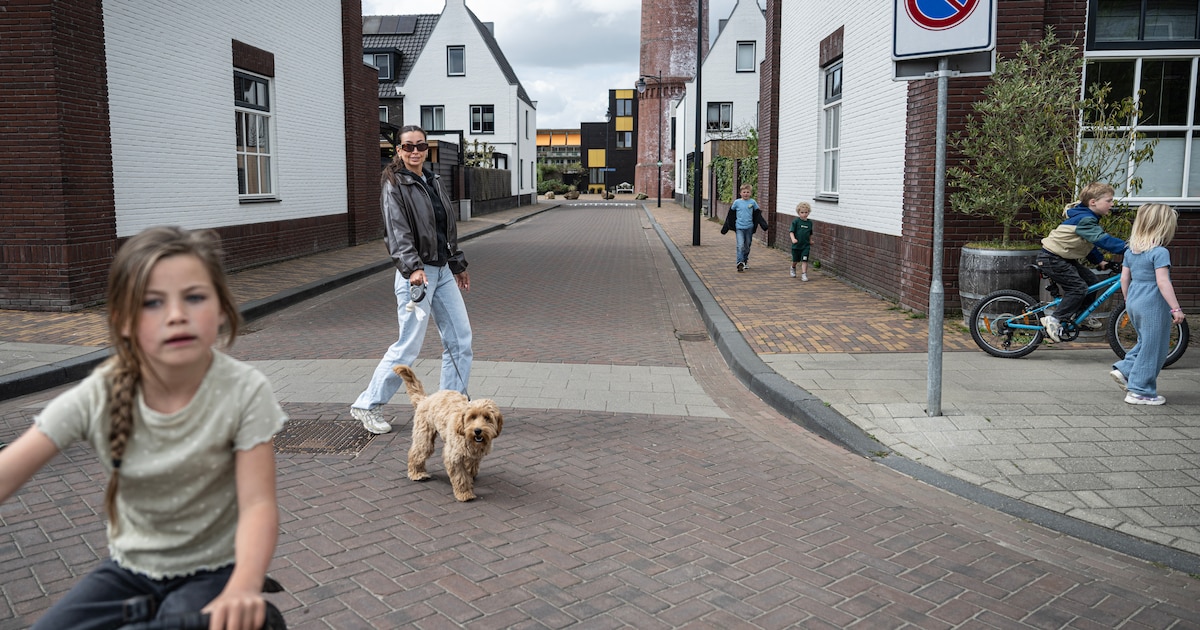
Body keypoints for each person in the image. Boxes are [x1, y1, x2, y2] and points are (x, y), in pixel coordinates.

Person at [0, 226, 286, 630]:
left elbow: (258, 504)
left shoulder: (244, 391)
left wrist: (243, 585)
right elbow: (9, 470)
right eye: (152, 302)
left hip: (214, 569)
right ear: (123, 322)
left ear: (221, 309)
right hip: (130, 569)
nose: (176, 314)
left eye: (195, 297)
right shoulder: (102, 391)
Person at [351, 125, 472, 435]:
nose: (415, 151)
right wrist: (412, 267)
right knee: (408, 346)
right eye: (408, 147)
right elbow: (397, 230)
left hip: (442, 271)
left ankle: (451, 405)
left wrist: (457, 264)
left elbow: (446, 228)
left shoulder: (432, 180)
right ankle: (367, 405)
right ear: (399, 151)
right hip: (417, 275)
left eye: (420, 146)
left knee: (460, 340)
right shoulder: (394, 184)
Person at [1109, 204, 1185, 405]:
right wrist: (1175, 308)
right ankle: (1141, 391)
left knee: (1146, 342)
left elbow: (1124, 279)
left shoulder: (1131, 251)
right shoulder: (1159, 252)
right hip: (1152, 303)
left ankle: (1125, 370)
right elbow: (1162, 282)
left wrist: (1128, 300)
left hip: (1134, 299)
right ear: (1163, 226)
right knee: (1155, 348)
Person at [1037, 182, 1127, 342]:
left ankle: (1081, 314)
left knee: (1091, 281)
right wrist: (1132, 248)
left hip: (1062, 258)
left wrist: (1100, 261)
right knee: (1078, 288)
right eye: (1109, 200)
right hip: (1052, 259)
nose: (1112, 204)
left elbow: (1088, 244)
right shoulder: (1085, 219)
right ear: (1093, 202)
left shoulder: (1087, 217)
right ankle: (1054, 319)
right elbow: (1103, 240)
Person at [720, 183, 769, 272]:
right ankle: (740, 262)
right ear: (740, 193)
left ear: (750, 193)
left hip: (749, 227)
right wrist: (726, 227)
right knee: (740, 245)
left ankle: (745, 260)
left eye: (748, 192)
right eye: (744, 192)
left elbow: (758, 215)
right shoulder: (737, 203)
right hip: (739, 227)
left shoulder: (752, 202)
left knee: (747, 245)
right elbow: (730, 215)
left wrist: (763, 225)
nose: (746, 194)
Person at [788, 202, 814, 281]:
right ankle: (793, 267)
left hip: (805, 245)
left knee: (805, 260)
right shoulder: (796, 222)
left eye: (806, 212)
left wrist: (810, 240)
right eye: (802, 212)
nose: (804, 214)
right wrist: (793, 239)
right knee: (795, 260)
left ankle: (804, 274)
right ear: (798, 213)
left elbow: (810, 233)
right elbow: (791, 231)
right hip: (797, 245)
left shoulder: (809, 223)